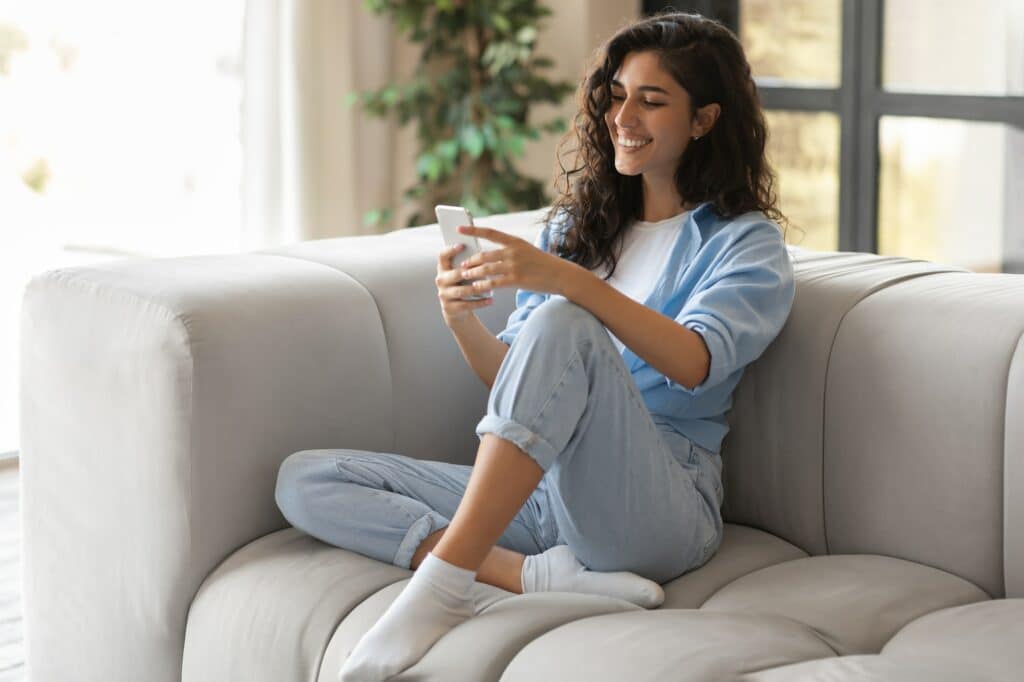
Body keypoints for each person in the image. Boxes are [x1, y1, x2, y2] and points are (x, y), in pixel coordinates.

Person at [275, 10, 797, 681]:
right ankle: (525, 576)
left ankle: (442, 586)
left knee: (563, 321)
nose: (623, 116)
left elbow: (695, 361)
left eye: (652, 100)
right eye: (616, 96)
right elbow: (514, 386)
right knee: (306, 480)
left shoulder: (745, 244)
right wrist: (462, 319)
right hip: (546, 497)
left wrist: (566, 284)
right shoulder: (582, 231)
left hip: (659, 502)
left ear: (704, 120)